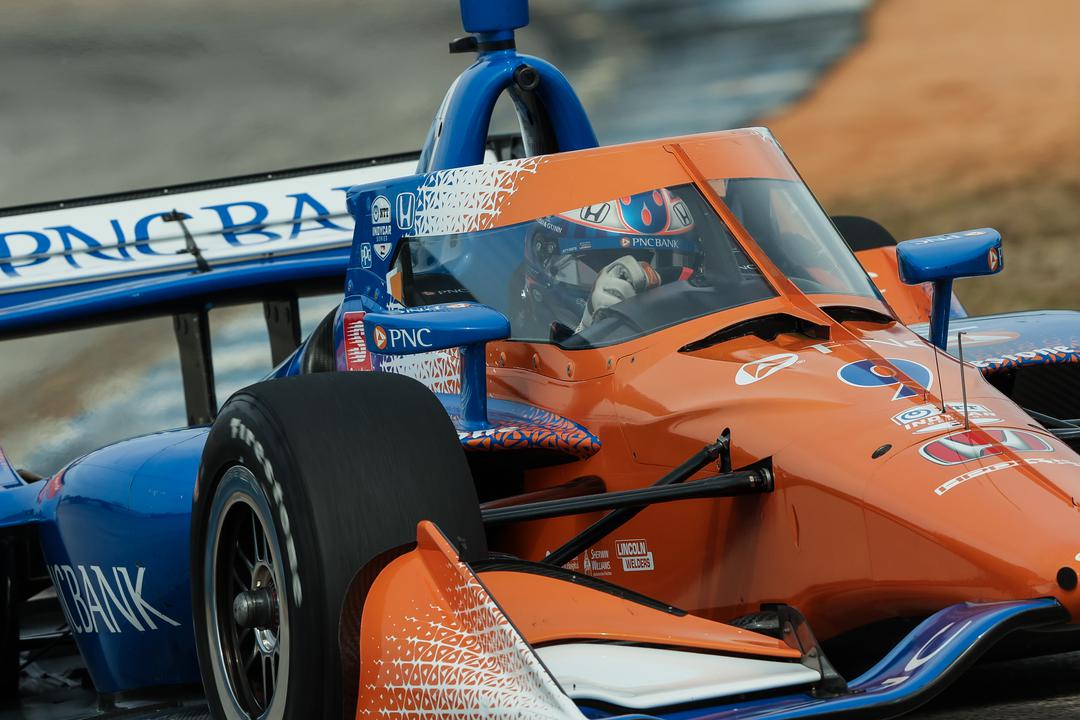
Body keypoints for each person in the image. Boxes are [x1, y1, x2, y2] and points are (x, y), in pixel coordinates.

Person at [522, 188, 701, 335]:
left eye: (655, 267)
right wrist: (585, 332)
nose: (629, 288)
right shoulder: (513, 345)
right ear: (548, 265)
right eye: (601, 268)